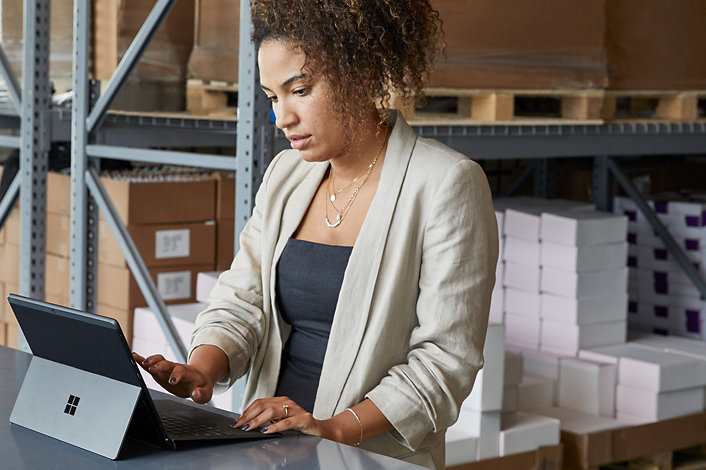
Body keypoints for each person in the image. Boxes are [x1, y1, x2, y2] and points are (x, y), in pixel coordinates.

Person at [133, 0, 498, 467]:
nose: (281, 117)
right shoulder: (287, 174)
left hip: (367, 456)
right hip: (264, 448)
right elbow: (242, 299)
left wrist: (331, 429)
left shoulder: (446, 182)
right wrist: (202, 369)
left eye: (299, 90)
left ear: (362, 74)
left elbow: (446, 361)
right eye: (271, 97)